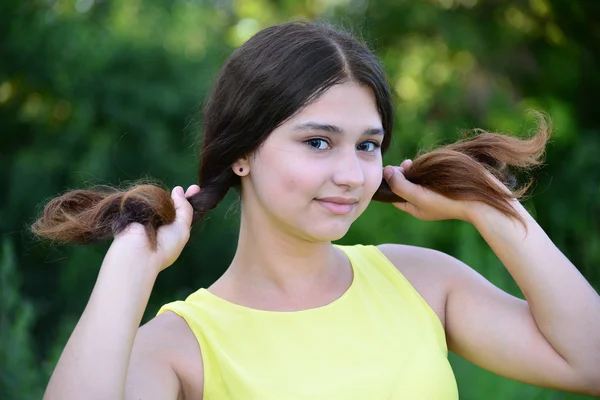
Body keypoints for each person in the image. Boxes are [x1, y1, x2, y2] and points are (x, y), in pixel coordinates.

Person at [32, 21, 600, 400]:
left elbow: (589, 363)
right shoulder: (179, 346)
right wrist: (128, 269)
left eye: (368, 145)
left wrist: (493, 209)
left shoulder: (423, 282)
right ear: (242, 154)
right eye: (318, 142)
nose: (351, 174)